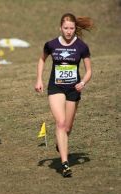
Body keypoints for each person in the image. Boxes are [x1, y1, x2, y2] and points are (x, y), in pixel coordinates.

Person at [35, 13, 93, 177]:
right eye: (66, 28)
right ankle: (65, 163)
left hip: (73, 89)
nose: (68, 31)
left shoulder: (82, 47)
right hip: (56, 88)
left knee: (67, 128)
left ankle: (60, 143)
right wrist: (39, 79)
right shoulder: (51, 44)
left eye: (71, 28)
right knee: (60, 124)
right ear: (60, 28)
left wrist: (83, 83)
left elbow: (89, 71)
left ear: (75, 29)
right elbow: (41, 60)